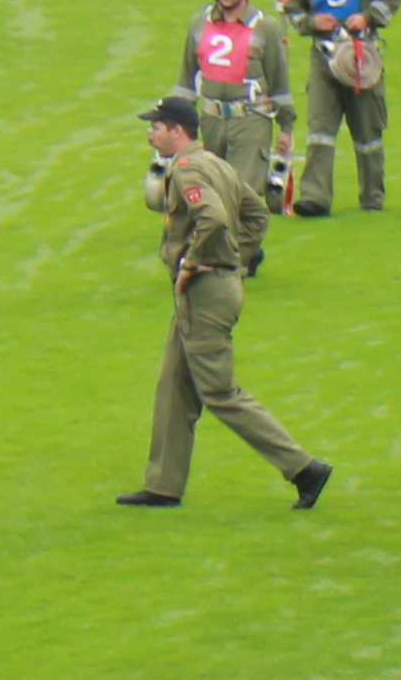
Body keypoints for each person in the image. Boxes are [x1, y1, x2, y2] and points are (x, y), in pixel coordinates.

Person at [118, 98, 328, 513]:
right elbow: (256, 216)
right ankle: (162, 486)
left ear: (177, 130)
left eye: (156, 127)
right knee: (174, 388)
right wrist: (236, 258)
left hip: (205, 293)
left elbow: (212, 218)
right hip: (211, 288)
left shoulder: (188, 169)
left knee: (219, 392)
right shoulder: (216, 163)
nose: (150, 134)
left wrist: (197, 262)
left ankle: (304, 468)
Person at [176, 0, 293, 268]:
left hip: (250, 120)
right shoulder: (199, 23)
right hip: (211, 120)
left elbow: (279, 80)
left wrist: (286, 127)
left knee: (242, 194)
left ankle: (235, 261)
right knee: (212, 192)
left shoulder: (264, 26)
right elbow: (187, 77)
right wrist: (178, 125)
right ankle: (233, 255)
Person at [285, 0, 401, 217]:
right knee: (320, 130)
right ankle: (315, 197)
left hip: (361, 58)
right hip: (323, 59)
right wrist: (312, 23)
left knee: (368, 131)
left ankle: (372, 197)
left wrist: (367, 17)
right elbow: (293, 10)